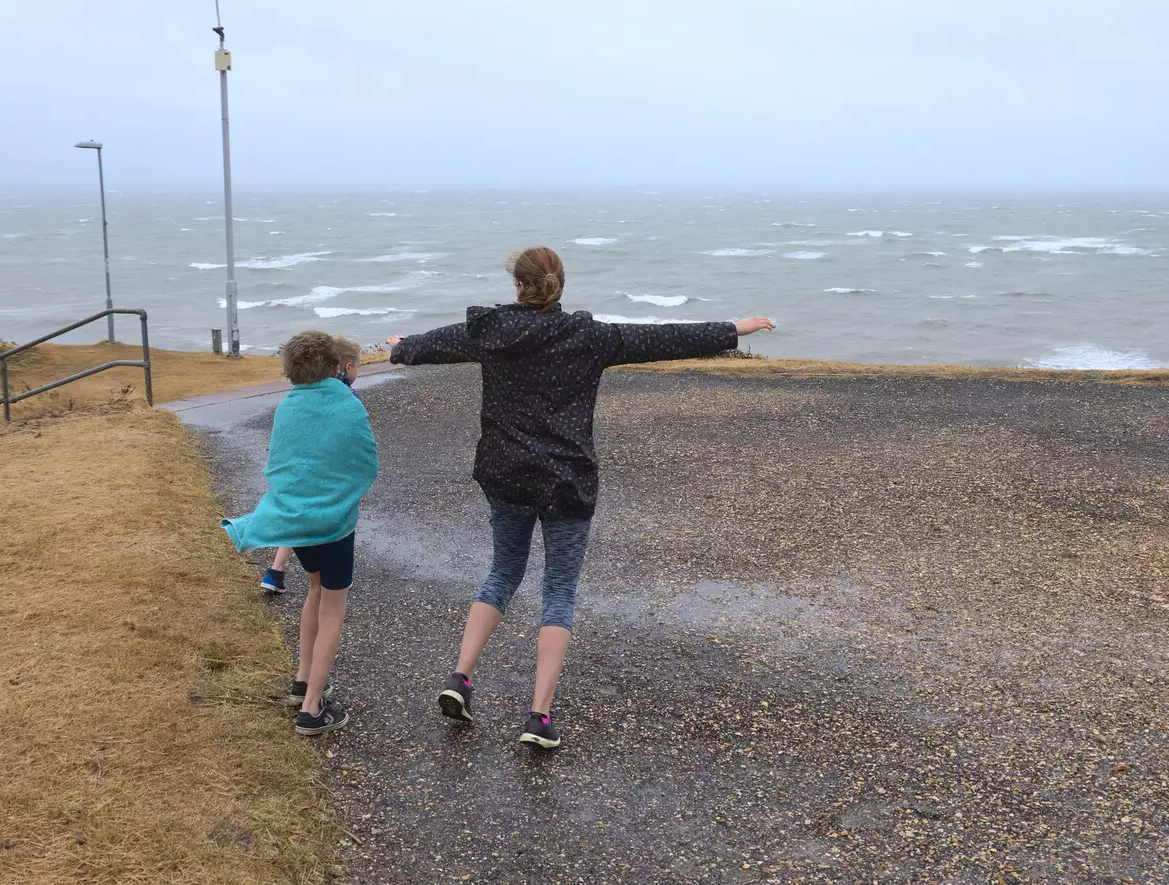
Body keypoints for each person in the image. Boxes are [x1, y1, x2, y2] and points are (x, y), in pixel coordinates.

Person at [388, 246, 774, 749]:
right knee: (559, 590)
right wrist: (733, 329)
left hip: (506, 474)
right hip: (566, 479)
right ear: (559, 285)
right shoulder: (589, 337)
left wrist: (400, 346)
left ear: (517, 285)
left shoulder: (491, 332)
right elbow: (661, 338)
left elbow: (429, 345)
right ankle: (538, 717)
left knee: (503, 570)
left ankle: (460, 678)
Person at [223, 331, 377, 736]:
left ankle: (302, 679)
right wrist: (342, 496)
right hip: (335, 524)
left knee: (314, 590)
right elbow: (365, 460)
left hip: (298, 521)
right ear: (334, 368)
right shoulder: (347, 403)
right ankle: (312, 708)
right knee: (333, 608)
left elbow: (283, 460)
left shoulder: (287, 406)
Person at [258, 342, 362, 596]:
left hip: (299, 469)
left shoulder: (302, 394)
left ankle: (276, 569)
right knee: (330, 525)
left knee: (296, 513)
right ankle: (329, 579)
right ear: (345, 366)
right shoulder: (347, 397)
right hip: (329, 477)